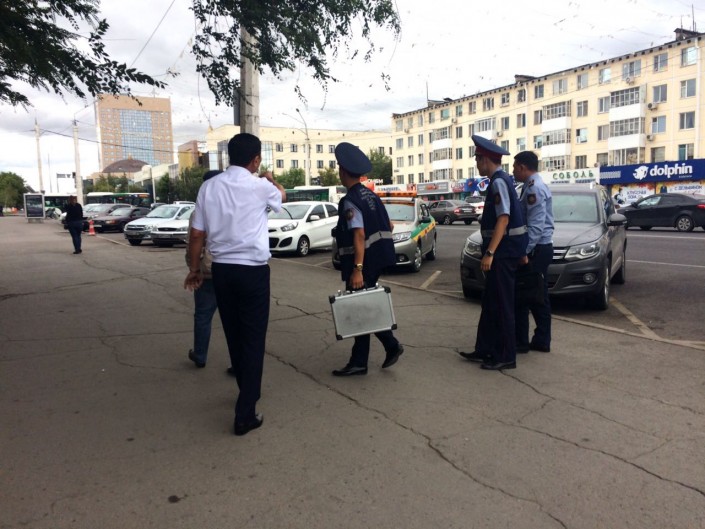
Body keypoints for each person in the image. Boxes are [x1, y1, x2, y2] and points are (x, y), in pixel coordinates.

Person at [184, 133, 286, 436]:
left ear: (229, 156)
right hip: (253, 272)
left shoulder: (209, 187)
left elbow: (197, 235)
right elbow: (282, 196)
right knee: (253, 338)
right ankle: (245, 412)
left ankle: (247, 389)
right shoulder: (261, 186)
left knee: (234, 333)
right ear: (256, 160)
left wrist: (194, 269)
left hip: (223, 271)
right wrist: (271, 179)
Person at [331, 142, 404, 377]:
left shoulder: (350, 200)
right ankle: (380, 350)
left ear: (343, 171)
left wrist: (358, 269)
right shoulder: (371, 195)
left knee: (360, 308)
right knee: (363, 306)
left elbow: (359, 234)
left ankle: (369, 357)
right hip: (379, 258)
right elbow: (389, 225)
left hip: (364, 263)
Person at [459, 136, 527, 370]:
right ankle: (485, 349)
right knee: (490, 303)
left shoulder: (498, 182)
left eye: (477, 159)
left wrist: (489, 253)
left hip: (502, 253)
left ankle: (506, 356)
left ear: (485, 159)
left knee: (502, 304)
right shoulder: (501, 180)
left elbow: (504, 219)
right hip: (506, 251)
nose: (476, 164)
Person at [512, 151, 554, 354]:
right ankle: (541, 339)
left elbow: (536, 227)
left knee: (528, 295)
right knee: (537, 294)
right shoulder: (531, 186)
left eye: (514, 167)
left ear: (522, 167)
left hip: (536, 250)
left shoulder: (534, 188)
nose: (513, 171)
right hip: (539, 248)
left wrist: (524, 252)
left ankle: (526, 341)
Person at [185, 170, 221, 369]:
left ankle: (200, 354)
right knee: (235, 318)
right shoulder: (234, 208)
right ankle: (239, 362)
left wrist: (194, 269)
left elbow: (195, 239)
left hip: (207, 271)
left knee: (203, 315)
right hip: (234, 269)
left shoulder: (200, 211)